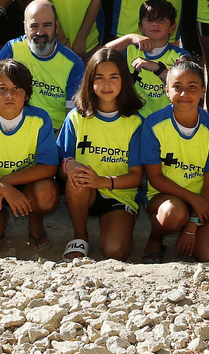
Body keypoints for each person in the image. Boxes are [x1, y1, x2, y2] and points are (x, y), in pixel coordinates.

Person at [0, 59, 60, 253]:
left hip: (28, 184)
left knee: (47, 193)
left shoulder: (40, 119)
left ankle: (35, 220)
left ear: (27, 94)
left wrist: (8, 182)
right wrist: (3, 188)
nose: (9, 95)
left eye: (17, 88)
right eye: (2, 89)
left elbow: (49, 167)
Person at [59, 46, 147, 261]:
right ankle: (80, 236)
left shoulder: (135, 123)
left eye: (114, 77)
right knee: (77, 177)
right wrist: (68, 165)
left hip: (119, 193)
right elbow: (59, 165)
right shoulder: (76, 118)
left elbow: (136, 177)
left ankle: (122, 226)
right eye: (99, 77)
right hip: (84, 191)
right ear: (89, 81)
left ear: (124, 80)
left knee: (115, 251)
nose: (107, 84)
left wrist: (101, 181)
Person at [141, 58, 209, 263]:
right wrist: (192, 200)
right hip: (165, 197)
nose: (184, 94)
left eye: (192, 87)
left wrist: (192, 226)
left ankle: (188, 227)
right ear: (167, 91)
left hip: (203, 198)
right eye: (177, 87)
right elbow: (155, 178)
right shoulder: (153, 125)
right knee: (174, 214)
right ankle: (156, 238)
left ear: (203, 91)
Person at [0, 0, 85, 131]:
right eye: (34, 26)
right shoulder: (12, 49)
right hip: (14, 128)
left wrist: (50, 141)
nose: (40, 32)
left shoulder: (73, 64)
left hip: (54, 132)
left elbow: (72, 118)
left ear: (56, 26)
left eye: (47, 25)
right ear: (25, 27)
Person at [108, 0, 188, 119]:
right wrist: (129, 38)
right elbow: (100, 56)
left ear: (172, 27)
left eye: (161, 20)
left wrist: (156, 68)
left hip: (166, 120)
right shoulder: (130, 50)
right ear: (140, 27)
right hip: (134, 119)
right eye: (150, 20)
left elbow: (184, 86)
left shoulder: (179, 55)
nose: (155, 24)